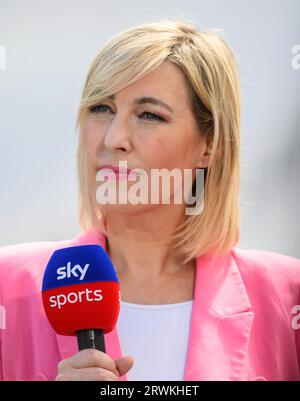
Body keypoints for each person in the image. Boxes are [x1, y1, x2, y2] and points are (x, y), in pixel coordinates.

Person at [0, 19, 300, 382]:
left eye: (149, 115)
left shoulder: (288, 295)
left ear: (210, 146)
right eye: (101, 108)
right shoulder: (7, 284)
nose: (113, 138)